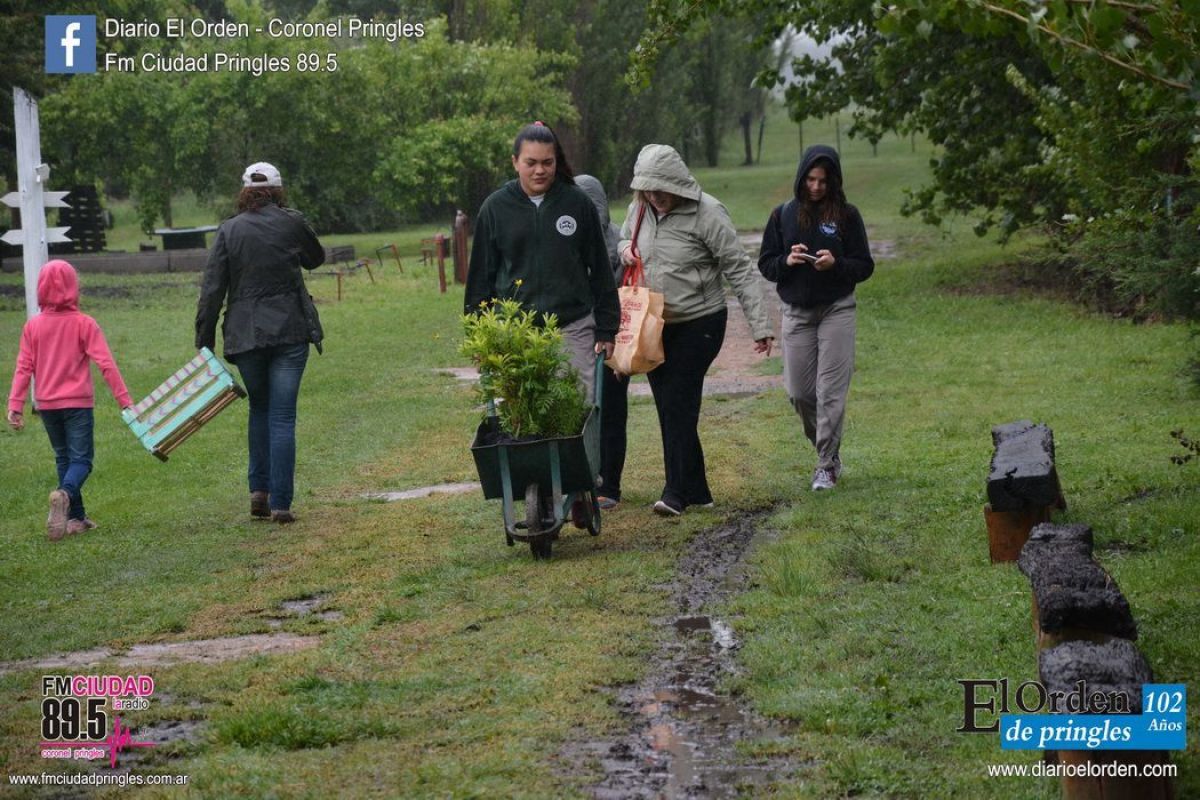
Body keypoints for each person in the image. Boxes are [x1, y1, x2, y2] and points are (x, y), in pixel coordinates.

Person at [618, 144, 774, 517]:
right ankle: (699, 489)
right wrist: (625, 249)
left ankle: (675, 493)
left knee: (677, 402)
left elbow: (738, 268)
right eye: (648, 189)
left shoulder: (708, 213)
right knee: (671, 406)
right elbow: (623, 237)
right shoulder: (639, 208)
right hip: (653, 324)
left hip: (701, 323)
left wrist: (760, 325)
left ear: (677, 184)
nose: (655, 197)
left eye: (661, 189)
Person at [195, 161, 325, 524]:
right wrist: (293, 231)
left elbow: (212, 289)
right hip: (289, 332)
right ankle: (281, 504)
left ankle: (259, 493)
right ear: (278, 191)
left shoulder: (228, 231)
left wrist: (203, 339)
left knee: (260, 409)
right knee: (282, 416)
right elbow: (316, 259)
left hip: (246, 335)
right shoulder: (291, 223)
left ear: (244, 192)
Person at [464, 123, 619, 401]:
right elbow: (479, 280)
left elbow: (600, 270)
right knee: (522, 418)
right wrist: (479, 337)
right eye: (531, 163)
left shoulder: (578, 204)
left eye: (547, 162)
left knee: (575, 412)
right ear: (515, 162)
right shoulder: (495, 208)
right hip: (515, 331)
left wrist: (607, 328)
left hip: (572, 327)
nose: (540, 170)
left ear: (556, 162)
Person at [758, 145, 874, 491]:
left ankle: (825, 465)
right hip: (797, 312)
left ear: (834, 181)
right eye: (810, 179)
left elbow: (865, 265)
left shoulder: (847, 216)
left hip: (837, 309)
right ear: (801, 178)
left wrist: (835, 264)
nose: (816, 187)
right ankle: (829, 450)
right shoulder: (783, 215)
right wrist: (787, 262)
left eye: (823, 181)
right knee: (800, 393)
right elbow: (766, 264)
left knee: (831, 393)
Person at [7, 259, 133, 540]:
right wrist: (124, 400)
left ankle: (76, 519)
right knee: (82, 461)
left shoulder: (33, 327)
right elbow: (106, 364)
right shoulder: (84, 324)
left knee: (63, 457)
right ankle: (64, 496)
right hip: (77, 404)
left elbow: (23, 367)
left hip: (47, 405)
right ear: (74, 288)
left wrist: (15, 405)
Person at [575, 174, 627, 511]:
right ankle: (580, 478)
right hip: (575, 334)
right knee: (579, 411)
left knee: (610, 410)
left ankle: (609, 482)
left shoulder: (616, 241)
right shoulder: (562, 239)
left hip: (611, 335)